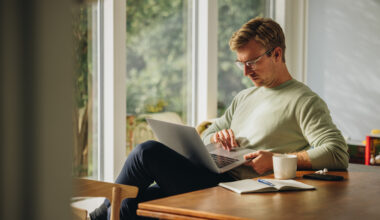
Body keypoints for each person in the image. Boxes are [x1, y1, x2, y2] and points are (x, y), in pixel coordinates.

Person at [90, 17, 349, 220]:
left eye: (253, 62)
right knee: (132, 204)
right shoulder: (245, 97)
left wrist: (278, 159)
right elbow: (206, 134)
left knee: (147, 152)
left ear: (277, 54)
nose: (246, 71)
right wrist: (217, 136)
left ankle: (95, 216)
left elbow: (337, 153)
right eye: (241, 63)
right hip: (212, 176)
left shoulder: (304, 100)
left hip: (238, 191)